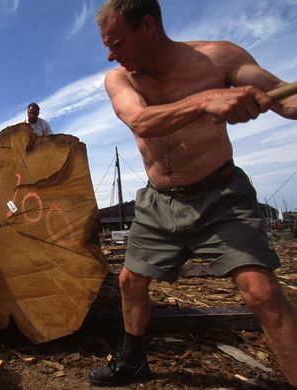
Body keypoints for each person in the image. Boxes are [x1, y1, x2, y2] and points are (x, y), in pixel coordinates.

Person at [89, 0, 297, 387]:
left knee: (262, 292)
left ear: (147, 25)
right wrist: (206, 100)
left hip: (220, 194)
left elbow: (286, 99)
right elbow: (140, 121)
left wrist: (270, 98)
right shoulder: (122, 79)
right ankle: (132, 361)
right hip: (159, 199)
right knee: (130, 282)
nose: (110, 55)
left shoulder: (218, 57)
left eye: (116, 43)